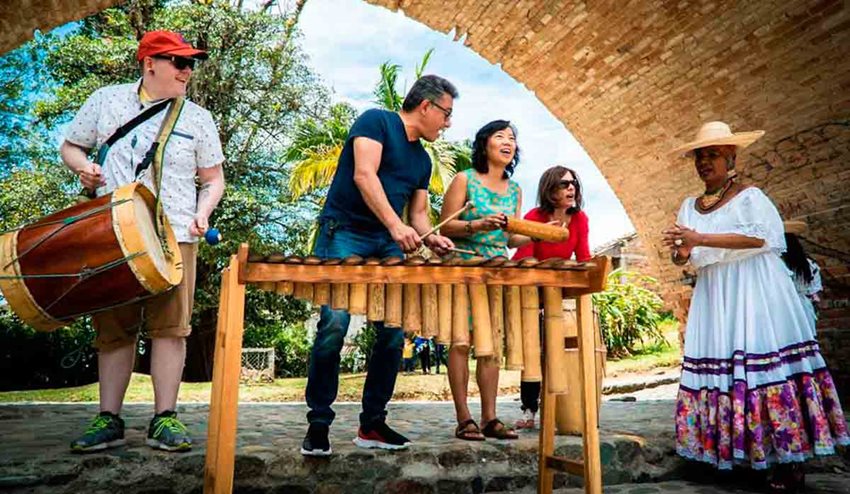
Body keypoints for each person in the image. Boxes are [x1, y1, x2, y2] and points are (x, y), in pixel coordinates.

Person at [62, 31, 225, 453]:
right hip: (112, 231)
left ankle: (164, 418)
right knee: (114, 328)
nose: (188, 71)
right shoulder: (105, 100)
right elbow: (70, 146)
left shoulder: (199, 119)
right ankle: (108, 418)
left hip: (174, 234)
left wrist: (203, 211)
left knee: (171, 328)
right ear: (149, 62)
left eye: (191, 63)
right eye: (179, 62)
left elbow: (213, 180)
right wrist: (85, 168)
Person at [664, 121, 849, 493]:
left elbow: (764, 236)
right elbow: (685, 256)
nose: (705, 162)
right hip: (716, 293)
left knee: (765, 365)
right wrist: (683, 251)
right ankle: (739, 455)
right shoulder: (689, 206)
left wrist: (701, 237)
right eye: (700, 156)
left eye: (712, 154)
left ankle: (788, 458)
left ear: (731, 156)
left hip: (755, 289)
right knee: (726, 371)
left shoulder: (752, 196)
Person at [300, 75, 456, 456]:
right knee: (333, 326)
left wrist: (430, 236)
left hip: (387, 240)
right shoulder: (376, 121)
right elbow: (363, 174)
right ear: (426, 106)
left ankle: (372, 424)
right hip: (344, 232)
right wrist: (395, 225)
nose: (448, 123)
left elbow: (418, 214)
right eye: (446, 114)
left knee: (392, 331)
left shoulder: (422, 158)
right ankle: (318, 423)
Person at [439, 120, 531, 441]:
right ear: (484, 144)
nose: (508, 142)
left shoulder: (516, 189)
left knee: (491, 346)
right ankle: (464, 418)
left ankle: (490, 417)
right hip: (462, 268)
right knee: (461, 341)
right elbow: (444, 228)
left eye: (512, 138)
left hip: (497, 270)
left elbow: (511, 239)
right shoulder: (464, 179)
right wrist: (476, 225)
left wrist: (538, 231)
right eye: (500, 136)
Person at [512, 165, 591, 430]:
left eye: (573, 184)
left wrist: (588, 277)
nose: (571, 188)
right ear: (549, 189)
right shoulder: (535, 216)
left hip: (557, 290)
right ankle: (529, 409)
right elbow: (526, 258)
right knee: (532, 349)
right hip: (529, 290)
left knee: (558, 349)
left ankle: (566, 407)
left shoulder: (580, 219)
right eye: (563, 184)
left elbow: (583, 257)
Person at [782, 222, 823, 335]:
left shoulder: (779, 267)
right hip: (805, 307)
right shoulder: (810, 265)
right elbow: (814, 290)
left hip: (785, 309)